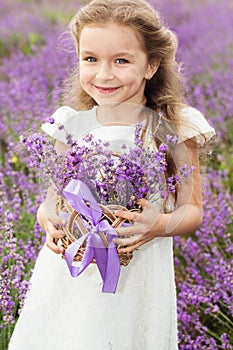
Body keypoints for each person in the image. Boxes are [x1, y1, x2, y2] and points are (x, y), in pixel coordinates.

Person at [8, 0, 215, 349]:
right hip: (68, 274)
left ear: (150, 65)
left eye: (121, 60)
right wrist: (49, 224)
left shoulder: (175, 127)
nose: (103, 74)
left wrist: (158, 225)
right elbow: (51, 201)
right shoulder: (68, 124)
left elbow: (192, 210)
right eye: (90, 59)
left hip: (136, 277)